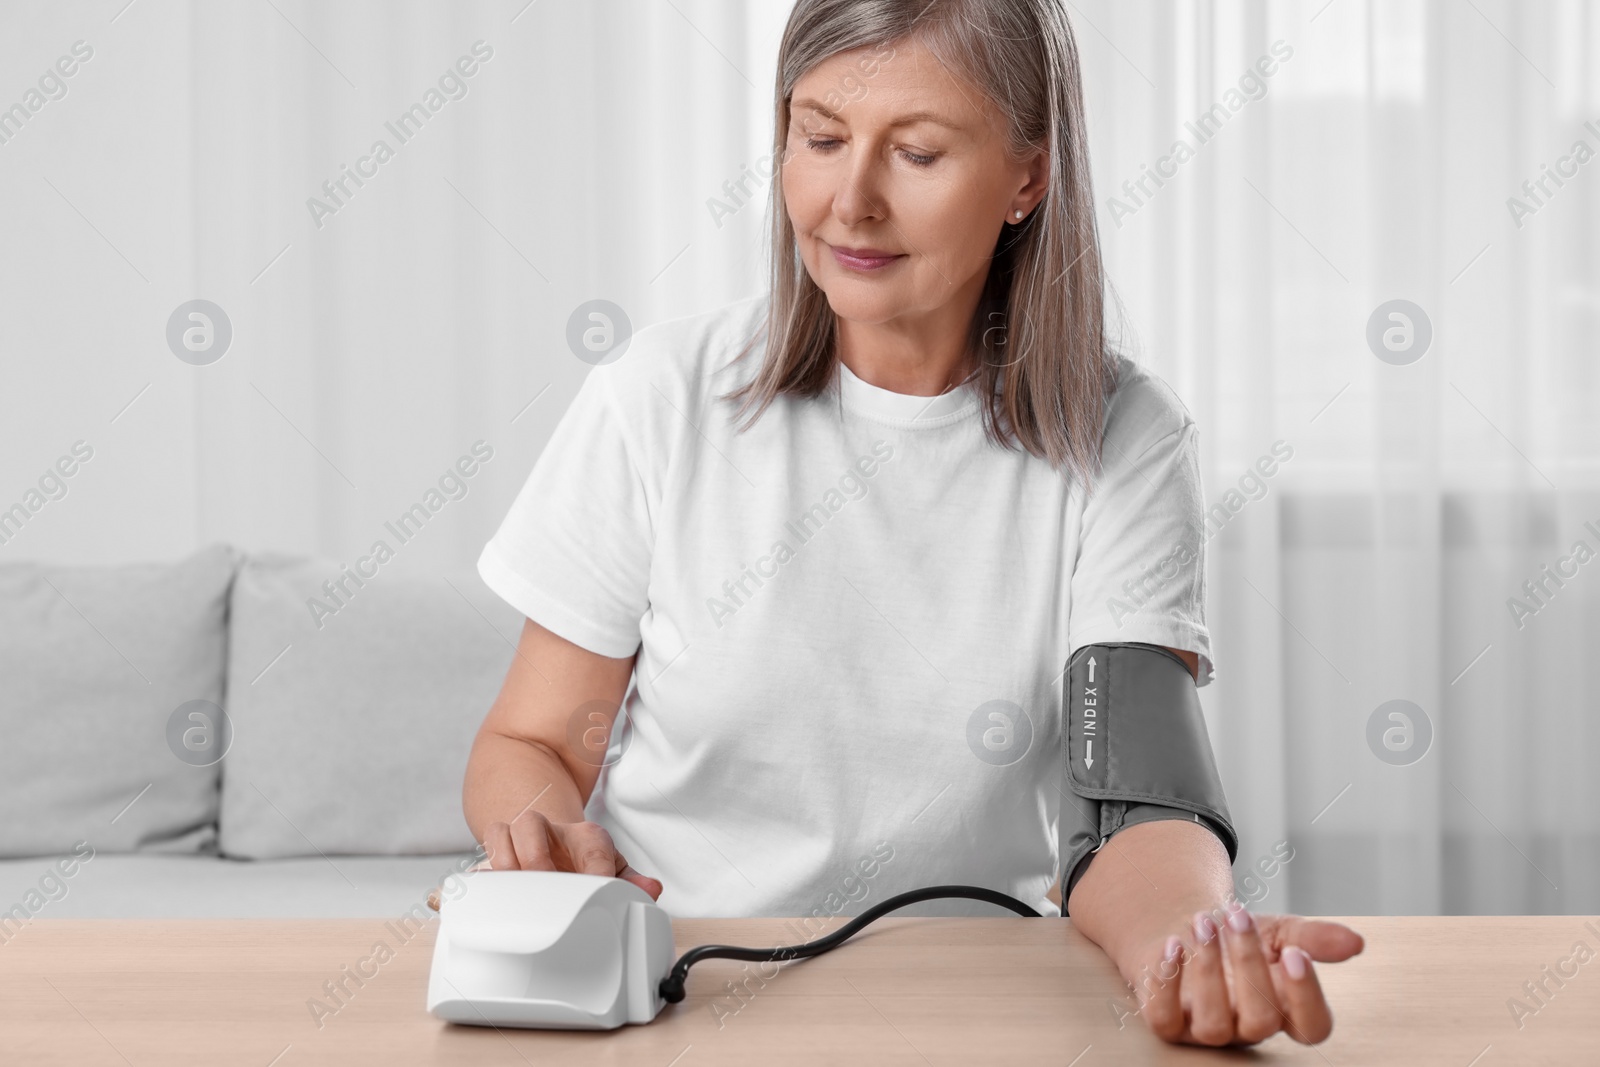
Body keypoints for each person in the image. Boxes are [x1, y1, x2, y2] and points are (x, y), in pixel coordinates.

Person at [462, 0, 1363, 1048]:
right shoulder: (657, 399)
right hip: (684, 996)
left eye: (918, 152)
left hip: (976, 1002)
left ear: (1027, 177)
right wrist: (549, 838)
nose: (850, 202)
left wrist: (1185, 944)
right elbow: (533, 740)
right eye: (821, 137)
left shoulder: (1120, 434)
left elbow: (1130, 807)